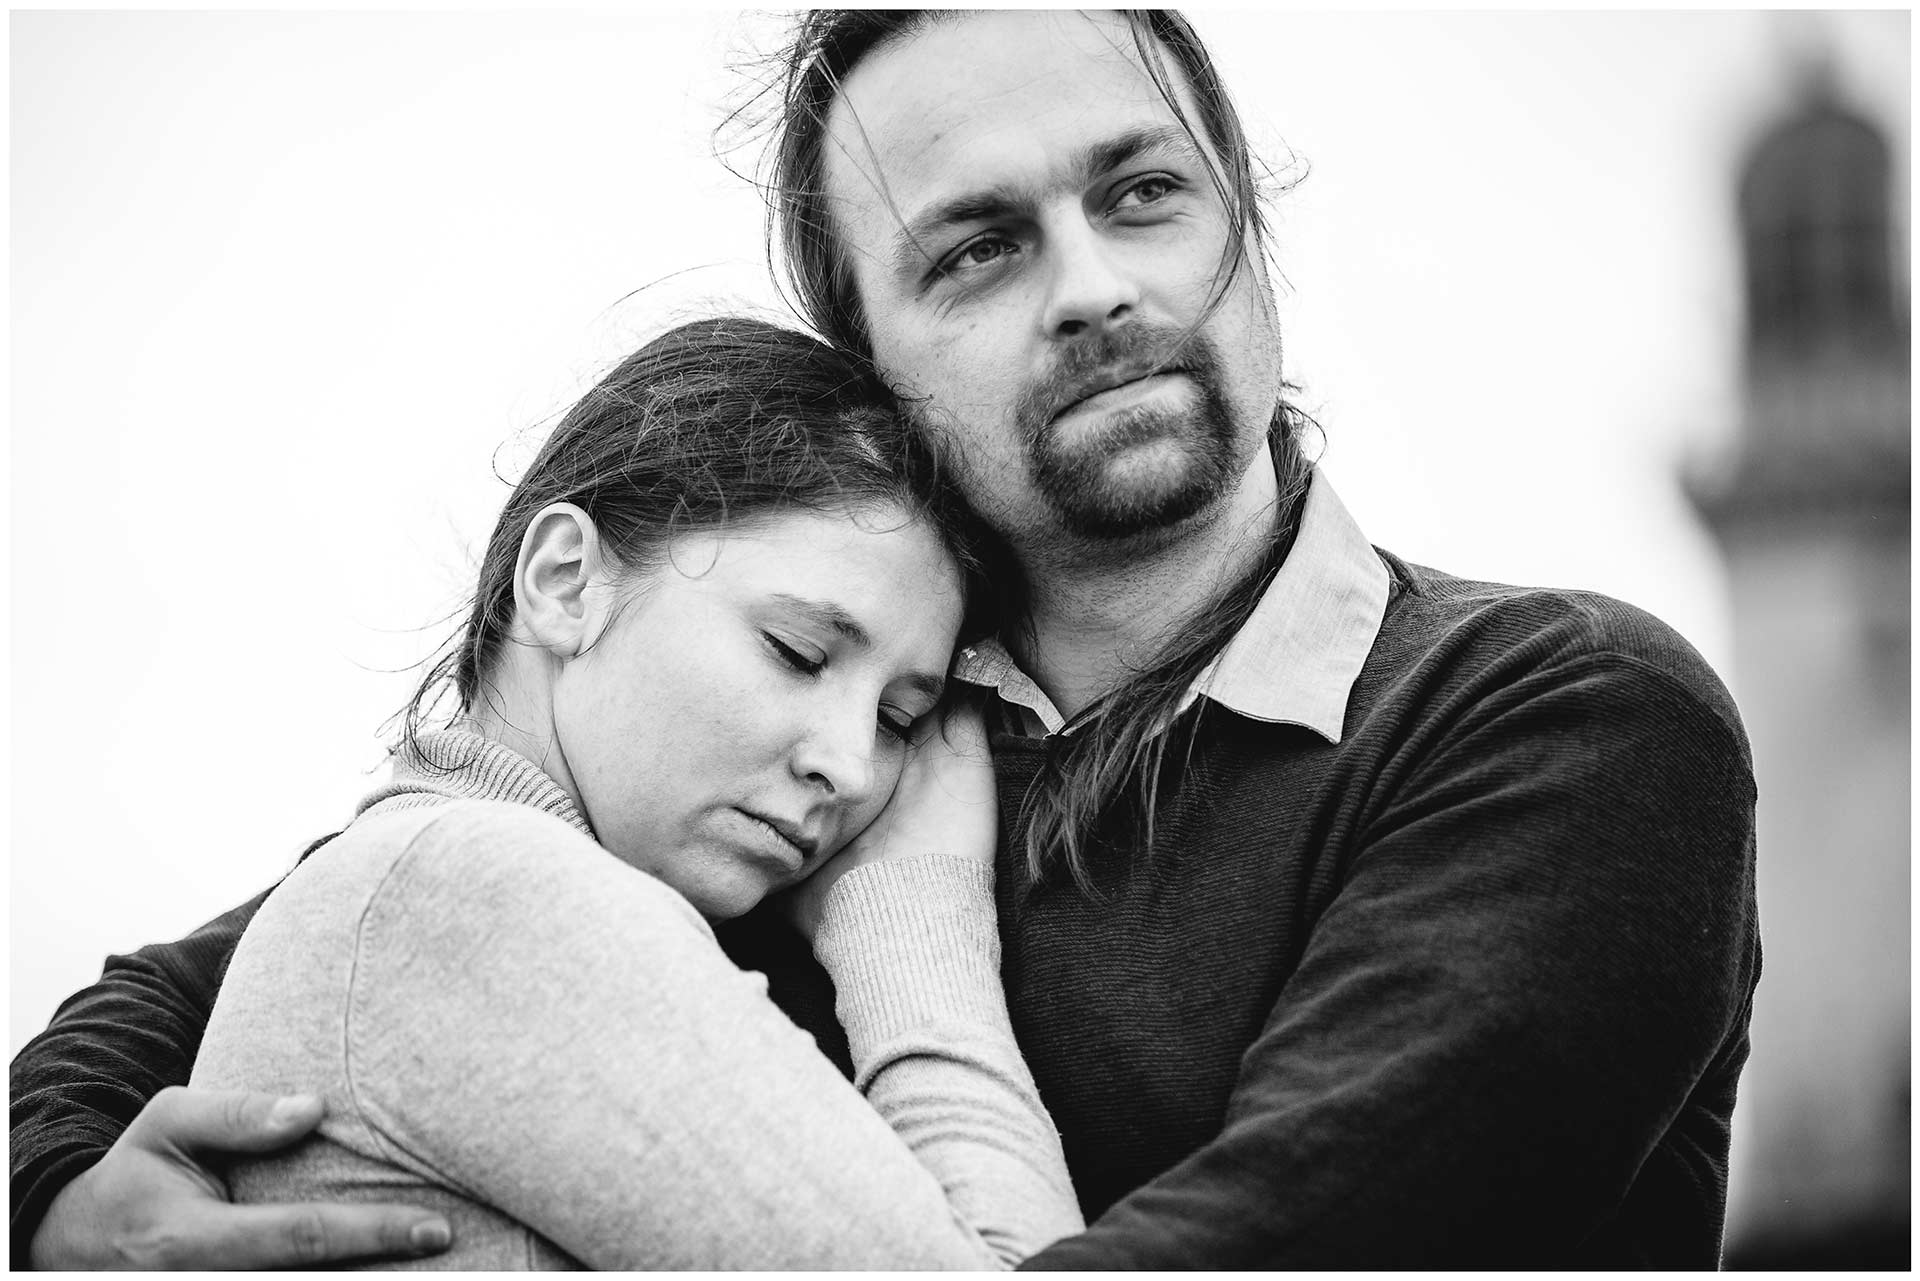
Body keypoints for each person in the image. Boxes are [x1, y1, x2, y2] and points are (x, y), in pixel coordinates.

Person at [11, 9, 1760, 1269]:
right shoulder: (824, 770)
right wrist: (57, 1197)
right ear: (877, 359)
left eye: (1142, 193)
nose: (1090, 284)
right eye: (979, 248)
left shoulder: (1557, 721)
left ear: (1248, 226)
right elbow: (255, 961)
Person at [15, 314, 1087, 1269]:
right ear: (564, 582)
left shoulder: (419, 879)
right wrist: (916, 915)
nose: (852, 768)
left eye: (903, 719)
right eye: (797, 651)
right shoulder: (472, 888)